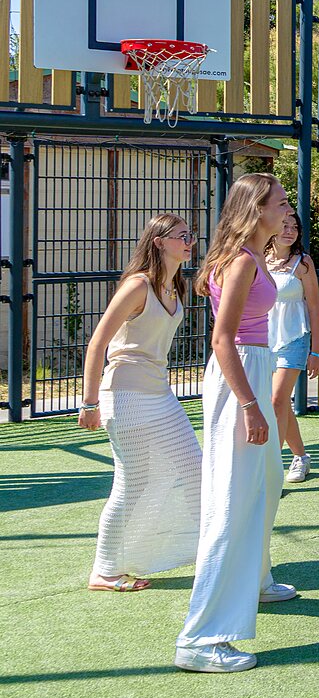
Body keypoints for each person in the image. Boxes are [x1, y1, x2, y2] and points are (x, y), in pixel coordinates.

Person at [175, 173, 296, 674]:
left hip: (253, 366)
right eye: (281, 203)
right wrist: (250, 405)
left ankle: (257, 580)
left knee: (266, 484)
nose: (288, 210)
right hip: (240, 373)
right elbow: (223, 339)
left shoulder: (250, 256)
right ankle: (201, 639)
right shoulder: (243, 261)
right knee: (230, 502)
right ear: (257, 209)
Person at [79, 213, 201, 593]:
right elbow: (98, 343)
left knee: (195, 469)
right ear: (159, 241)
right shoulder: (138, 286)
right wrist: (88, 402)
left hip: (160, 393)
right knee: (132, 483)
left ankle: (211, 553)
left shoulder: (175, 286)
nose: (190, 242)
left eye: (191, 236)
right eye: (182, 236)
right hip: (126, 395)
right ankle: (104, 569)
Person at [265, 208, 319, 483]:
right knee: (280, 404)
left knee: (277, 400)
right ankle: (300, 456)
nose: (289, 231)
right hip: (262, 341)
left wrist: (317, 351)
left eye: (294, 227)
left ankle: (271, 470)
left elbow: (315, 308)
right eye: (284, 225)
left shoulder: (303, 263)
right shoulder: (258, 261)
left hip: (295, 339)